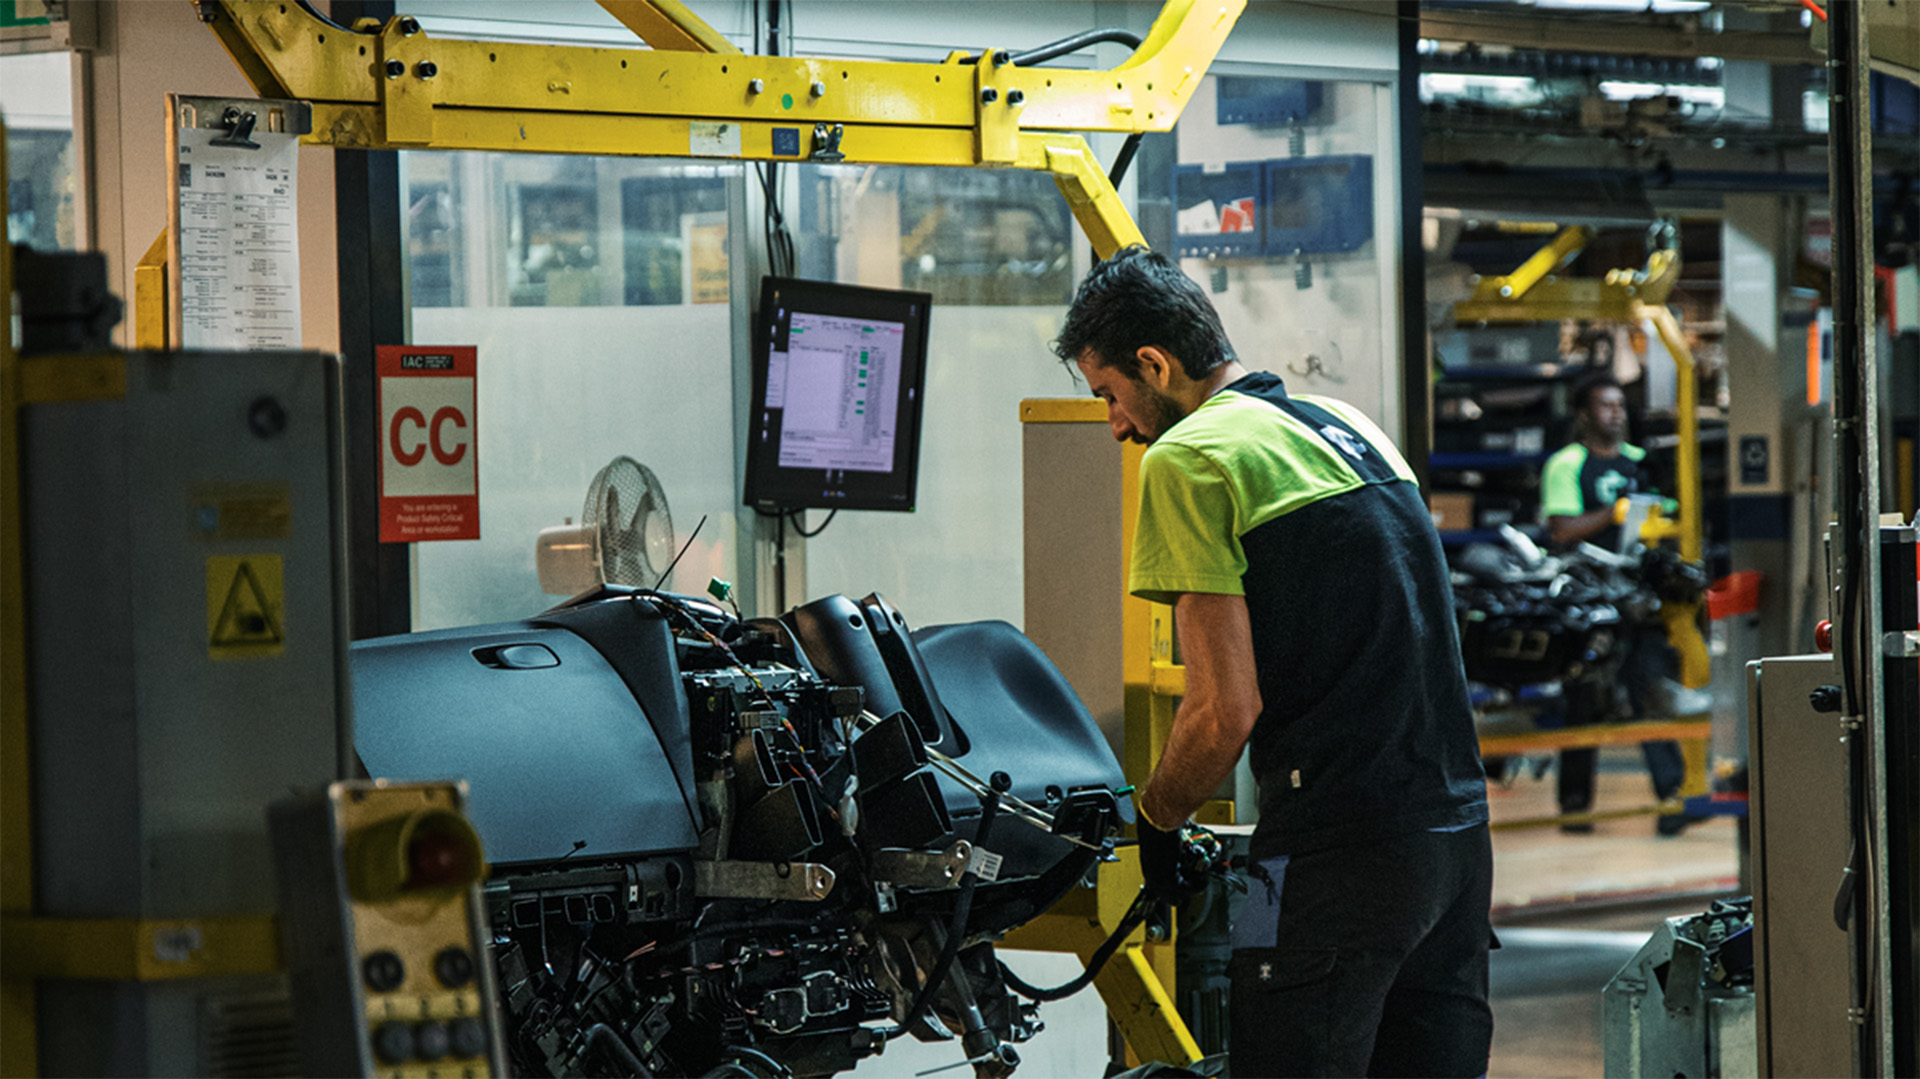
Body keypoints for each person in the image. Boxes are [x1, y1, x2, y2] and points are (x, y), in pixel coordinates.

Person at [1051, 246, 1492, 1077]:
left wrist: (1156, 820)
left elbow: (1224, 711)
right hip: (1457, 845)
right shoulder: (1349, 424)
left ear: (1155, 364)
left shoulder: (1190, 456)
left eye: (1109, 393)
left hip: (1321, 854)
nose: (1115, 424)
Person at [1539, 374, 1690, 835]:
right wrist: (1614, 513)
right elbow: (1561, 529)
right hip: (1587, 600)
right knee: (1583, 697)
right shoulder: (1567, 464)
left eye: (1620, 404)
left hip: (1637, 596)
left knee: (1649, 690)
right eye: (1605, 405)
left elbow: (1673, 513)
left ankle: (1673, 797)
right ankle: (1575, 804)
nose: (1615, 413)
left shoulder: (1643, 463)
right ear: (1585, 413)